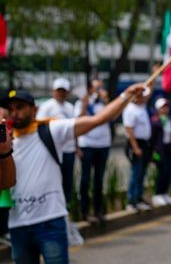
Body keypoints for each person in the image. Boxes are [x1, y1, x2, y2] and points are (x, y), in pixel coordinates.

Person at [2, 84, 144, 264]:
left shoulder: (50, 130)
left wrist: (126, 95)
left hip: (50, 222)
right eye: (11, 109)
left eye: (20, 107)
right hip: (18, 226)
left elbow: (98, 120)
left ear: (34, 109)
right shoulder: (5, 143)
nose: (15, 113)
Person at [74, 79, 110, 223]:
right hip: (87, 145)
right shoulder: (80, 103)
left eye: (101, 87)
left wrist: (106, 101)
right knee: (85, 179)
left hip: (103, 145)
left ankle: (98, 211)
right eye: (96, 88)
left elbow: (112, 116)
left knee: (99, 180)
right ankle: (84, 212)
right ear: (89, 89)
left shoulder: (104, 104)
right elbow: (78, 121)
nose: (99, 90)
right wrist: (84, 103)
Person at [36, 78, 75, 208]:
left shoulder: (70, 107)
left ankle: (66, 206)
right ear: (54, 91)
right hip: (52, 151)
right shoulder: (46, 107)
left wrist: (77, 147)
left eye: (64, 91)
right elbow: (39, 127)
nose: (61, 93)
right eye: (59, 91)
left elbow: (75, 129)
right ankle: (52, 207)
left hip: (69, 150)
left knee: (67, 180)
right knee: (53, 180)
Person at [124, 90, 152, 212]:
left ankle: (139, 198)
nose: (142, 97)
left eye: (142, 95)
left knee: (142, 173)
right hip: (136, 144)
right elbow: (129, 130)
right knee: (136, 172)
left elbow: (150, 91)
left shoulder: (142, 106)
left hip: (145, 144)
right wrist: (135, 147)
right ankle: (131, 201)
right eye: (139, 95)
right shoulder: (130, 109)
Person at [150, 98, 171, 206]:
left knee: (168, 171)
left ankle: (164, 193)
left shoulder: (169, 119)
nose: (165, 109)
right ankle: (158, 194)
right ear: (158, 109)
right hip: (159, 151)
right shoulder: (155, 121)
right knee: (162, 171)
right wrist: (153, 153)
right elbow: (152, 138)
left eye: (166, 107)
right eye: (163, 107)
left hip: (168, 149)